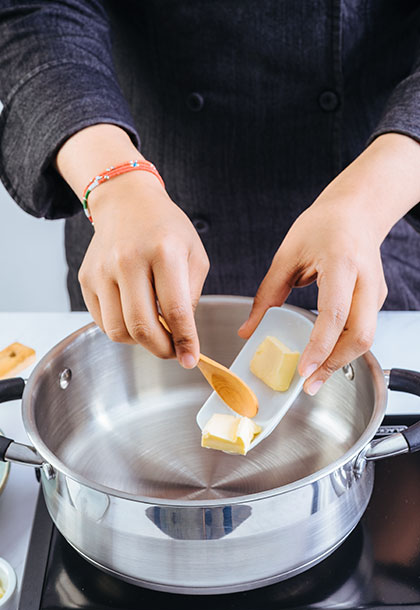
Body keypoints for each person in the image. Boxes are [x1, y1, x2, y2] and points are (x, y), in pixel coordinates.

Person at [0, 1, 419, 397]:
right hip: (133, 215)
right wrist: (116, 184)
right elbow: (36, 9)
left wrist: (367, 204)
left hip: (377, 211)